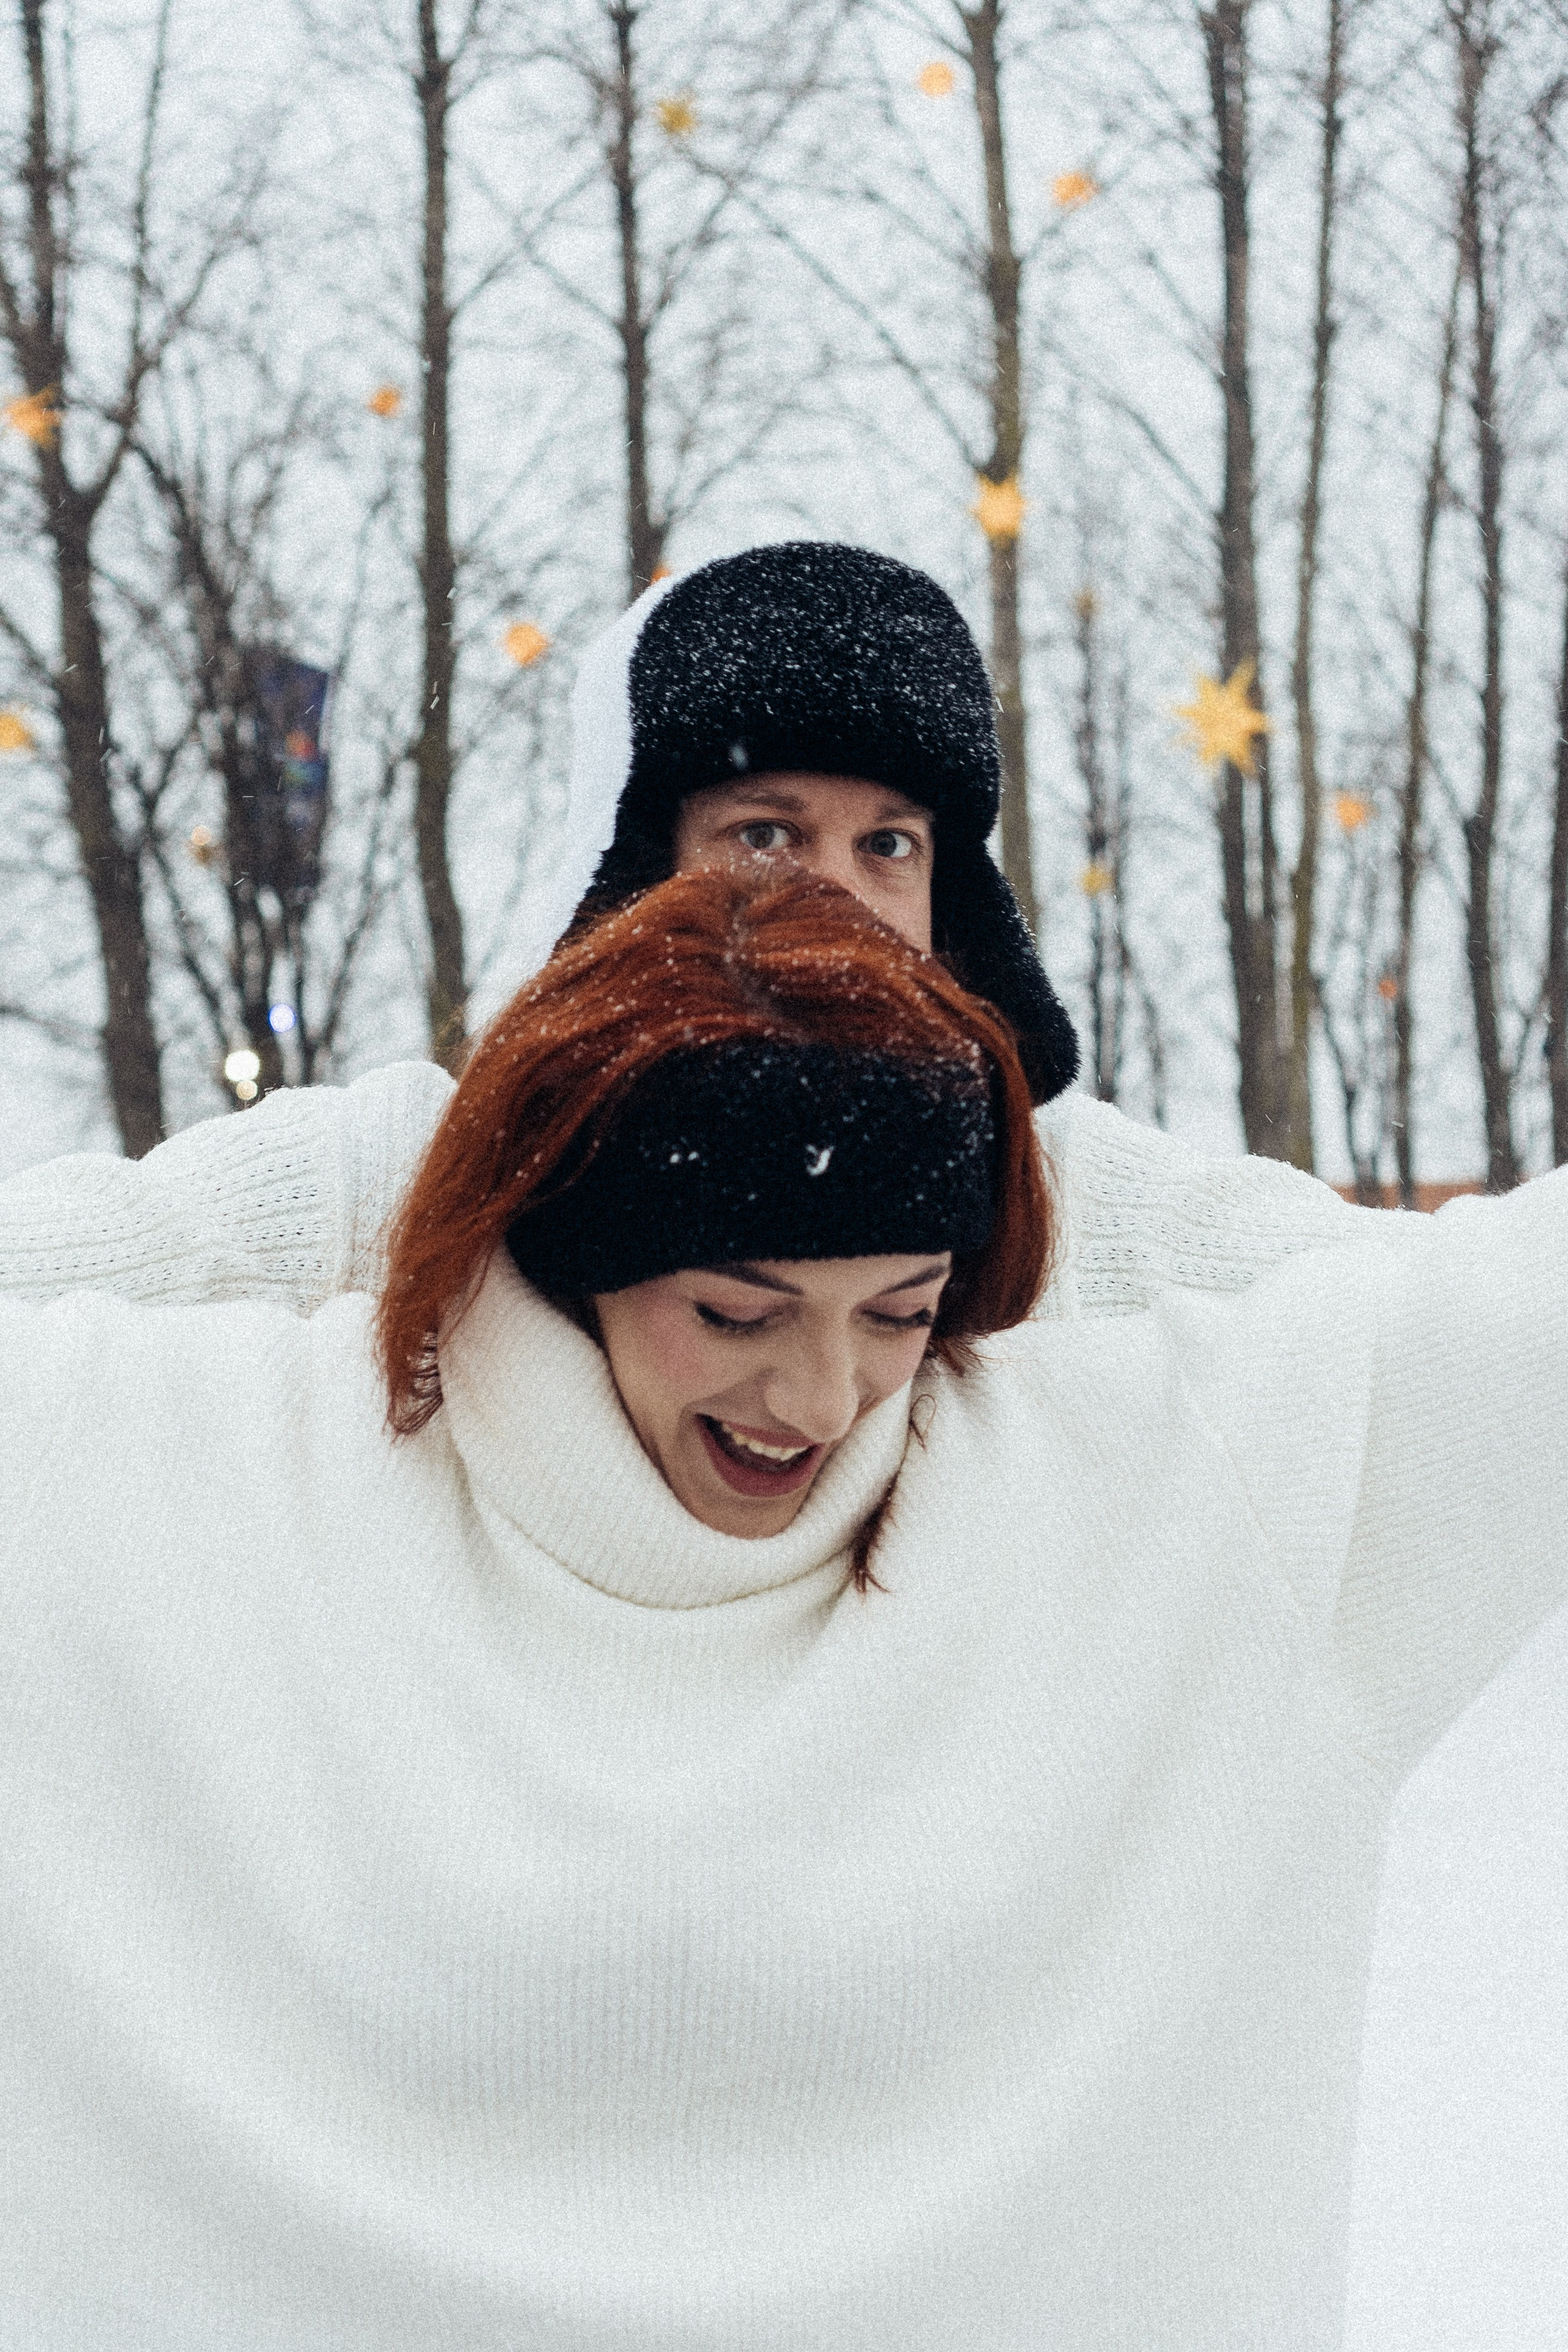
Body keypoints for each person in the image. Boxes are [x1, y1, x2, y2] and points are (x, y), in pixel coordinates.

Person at [2, 866, 1565, 2351]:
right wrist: (374, 1155)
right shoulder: (216, 1473)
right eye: (735, 1312)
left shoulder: (1173, 1487)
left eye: (899, 1311)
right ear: (572, 1251)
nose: (819, 1400)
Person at [0, 541, 1413, 1325]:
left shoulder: (1064, 1202)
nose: (838, 900)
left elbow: (1419, 1321)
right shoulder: (412, 1175)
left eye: (890, 845)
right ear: (634, 870)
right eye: (764, 834)